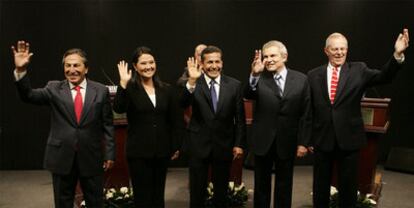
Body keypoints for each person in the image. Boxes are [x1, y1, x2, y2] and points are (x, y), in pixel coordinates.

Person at [308, 29, 409, 208]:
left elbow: (383, 76)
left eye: (343, 49)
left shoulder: (359, 69)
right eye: (335, 49)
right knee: (320, 187)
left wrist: (397, 55)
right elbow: (309, 110)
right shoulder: (313, 75)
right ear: (326, 51)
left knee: (348, 187)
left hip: (349, 139)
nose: (339, 53)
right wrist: (307, 139)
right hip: (322, 139)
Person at [12, 41, 115, 208]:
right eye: (68, 65)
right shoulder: (54, 88)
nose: (71, 69)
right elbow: (28, 96)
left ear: (86, 68)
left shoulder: (101, 90)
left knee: (95, 202)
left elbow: (108, 125)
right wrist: (21, 70)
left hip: (91, 157)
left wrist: (109, 154)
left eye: (76, 65)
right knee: (62, 203)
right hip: (61, 157)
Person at [244, 40, 312, 208]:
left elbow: (306, 113)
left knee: (284, 185)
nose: (269, 59)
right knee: (261, 185)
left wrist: (303, 142)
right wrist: (254, 75)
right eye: (266, 56)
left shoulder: (301, 79)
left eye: (273, 55)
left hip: (287, 140)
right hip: (263, 140)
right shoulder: (259, 77)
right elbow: (248, 94)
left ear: (285, 56)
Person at [112, 46, 180, 208]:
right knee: (142, 197)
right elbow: (119, 108)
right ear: (135, 66)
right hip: (138, 152)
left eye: (151, 62)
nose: (148, 66)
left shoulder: (167, 89)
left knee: (158, 196)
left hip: (162, 151)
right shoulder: (129, 89)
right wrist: (122, 83)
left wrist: (175, 145)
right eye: (143, 63)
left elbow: (175, 120)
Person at [181, 45, 246, 207]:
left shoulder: (234, 85)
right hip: (198, 145)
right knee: (196, 192)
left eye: (217, 61)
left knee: (221, 193)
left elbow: (240, 118)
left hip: (224, 145)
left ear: (222, 63)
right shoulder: (194, 82)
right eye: (209, 62)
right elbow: (182, 103)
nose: (214, 66)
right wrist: (191, 81)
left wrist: (239, 144)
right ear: (201, 64)